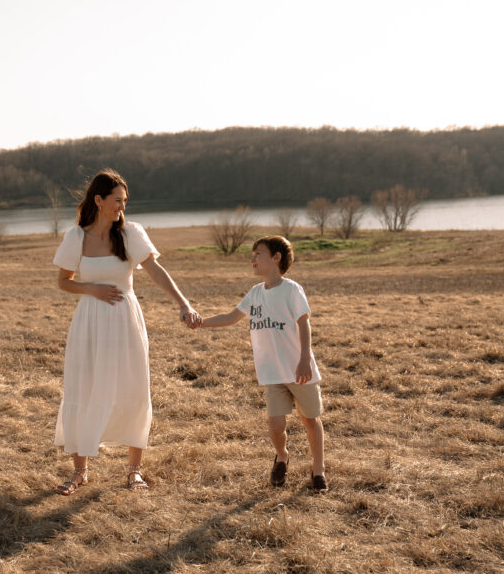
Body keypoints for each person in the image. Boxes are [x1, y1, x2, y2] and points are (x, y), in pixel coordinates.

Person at [53, 169, 200, 494]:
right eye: (117, 200)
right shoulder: (76, 237)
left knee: (133, 386)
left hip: (124, 320)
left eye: (124, 201)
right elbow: (63, 282)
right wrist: (93, 290)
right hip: (90, 321)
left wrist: (183, 304)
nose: (122, 206)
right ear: (99, 200)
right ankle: (80, 471)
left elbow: (155, 271)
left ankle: (134, 470)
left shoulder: (131, 233)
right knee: (85, 387)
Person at [192, 235, 326, 491]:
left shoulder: (291, 289)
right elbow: (232, 317)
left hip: (300, 371)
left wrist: (305, 360)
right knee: (275, 424)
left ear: (276, 258)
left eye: (258, 254)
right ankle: (283, 456)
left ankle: (318, 471)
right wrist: (202, 322)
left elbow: (304, 323)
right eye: (252, 254)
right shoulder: (255, 293)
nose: (252, 258)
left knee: (310, 420)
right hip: (272, 373)